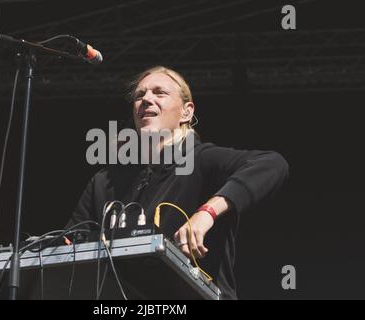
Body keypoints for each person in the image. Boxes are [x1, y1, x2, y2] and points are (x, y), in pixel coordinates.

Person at [67, 66, 289, 300]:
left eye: (159, 92)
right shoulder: (104, 182)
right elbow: (68, 245)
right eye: (139, 95)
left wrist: (207, 213)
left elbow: (272, 164)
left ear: (186, 112)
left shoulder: (200, 159)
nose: (146, 99)